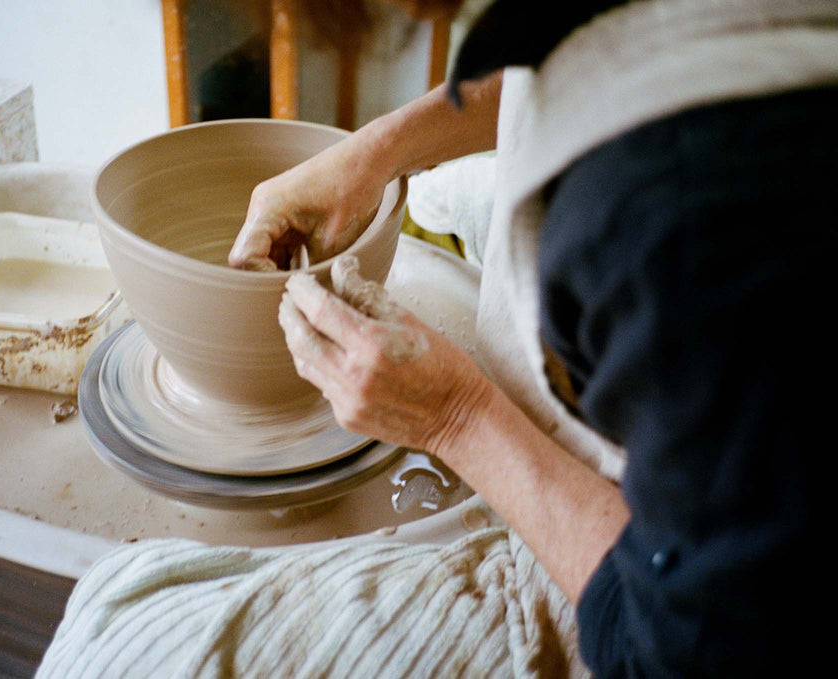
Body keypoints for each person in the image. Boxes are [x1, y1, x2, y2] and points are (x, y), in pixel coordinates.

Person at [229, 0, 838, 676]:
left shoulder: (674, 226)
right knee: (439, 196)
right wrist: (377, 150)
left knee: (124, 620)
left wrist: (457, 416)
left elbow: (693, 653)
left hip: (711, 593)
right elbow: (572, 43)